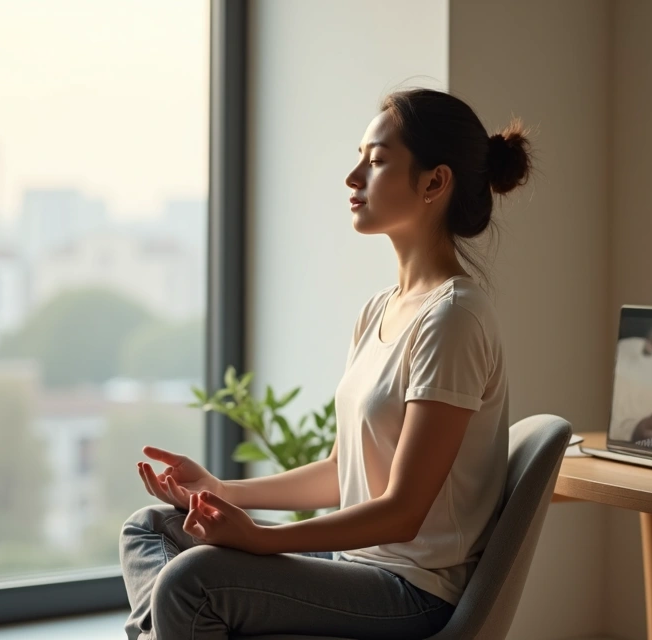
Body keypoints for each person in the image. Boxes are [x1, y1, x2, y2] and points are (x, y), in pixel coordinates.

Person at [119, 88, 532, 640]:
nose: (353, 176)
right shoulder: (378, 310)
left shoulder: (453, 318)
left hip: (413, 592)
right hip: (353, 570)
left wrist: (260, 539)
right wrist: (220, 489)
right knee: (150, 530)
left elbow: (403, 513)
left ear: (435, 182)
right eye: (360, 156)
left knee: (192, 583)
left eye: (378, 161)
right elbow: (343, 473)